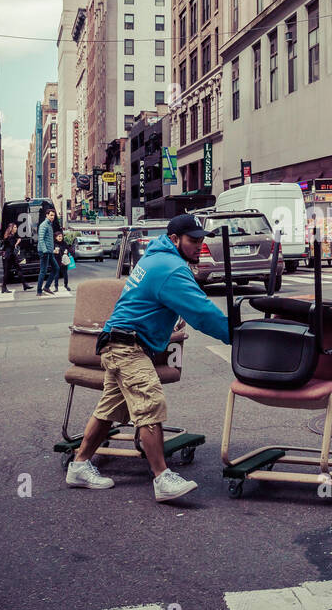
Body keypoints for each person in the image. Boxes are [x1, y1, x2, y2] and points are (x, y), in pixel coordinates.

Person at [67, 214, 233, 502]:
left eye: (201, 240)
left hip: (117, 342)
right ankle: (162, 477)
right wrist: (235, 334)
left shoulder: (155, 257)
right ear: (175, 239)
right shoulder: (171, 268)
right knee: (150, 403)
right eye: (193, 240)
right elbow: (203, 313)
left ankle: (79, 466)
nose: (199, 245)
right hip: (127, 346)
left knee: (110, 409)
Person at [0, 222, 32, 293]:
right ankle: (24, 285)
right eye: (15, 227)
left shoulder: (8, 236)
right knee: (10, 271)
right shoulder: (11, 237)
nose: (16, 228)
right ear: (11, 229)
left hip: (9, 255)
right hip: (10, 256)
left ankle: (24, 285)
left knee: (13, 270)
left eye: (16, 227)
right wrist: (17, 242)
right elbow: (12, 246)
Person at [37, 208, 58, 295]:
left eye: (53, 215)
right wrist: (45, 250)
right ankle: (39, 291)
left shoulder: (49, 225)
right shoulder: (44, 225)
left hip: (50, 252)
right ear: (47, 215)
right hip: (44, 251)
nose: (52, 217)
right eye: (51, 215)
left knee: (56, 268)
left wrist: (52, 250)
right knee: (43, 271)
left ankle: (46, 287)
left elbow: (48, 239)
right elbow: (41, 239)